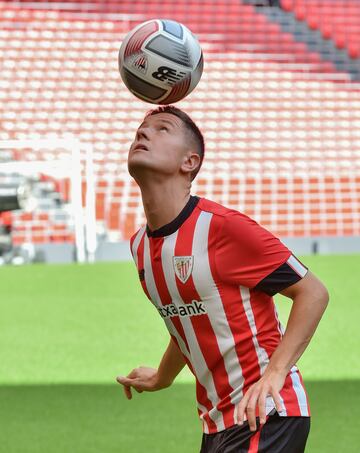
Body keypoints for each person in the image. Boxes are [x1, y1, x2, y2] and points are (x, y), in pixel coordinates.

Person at [117, 105, 329, 452]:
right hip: (216, 424)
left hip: (268, 414)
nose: (142, 133)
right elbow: (190, 318)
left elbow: (314, 293)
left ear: (190, 162)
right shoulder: (140, 246)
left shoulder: (223, 228)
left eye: (162, 129)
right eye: (141, 129)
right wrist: (162, 376)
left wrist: (275, 374)